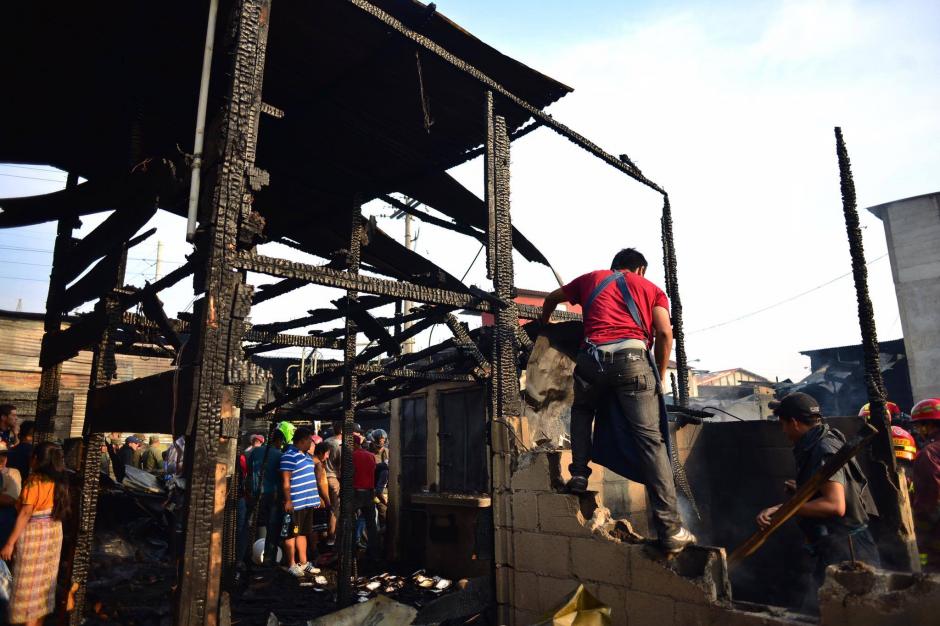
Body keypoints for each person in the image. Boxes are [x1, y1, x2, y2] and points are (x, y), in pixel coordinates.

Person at [539, 247, 694, 554]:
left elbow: (550, 299)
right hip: (632, 361)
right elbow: (664, 332)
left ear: (614, 267)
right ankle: (671, 529)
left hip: (590, 361)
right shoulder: (650, 288)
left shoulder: (590, 279)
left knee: (582, 410)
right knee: (651, 443)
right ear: (640, 270)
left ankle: (580, 475)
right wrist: (660, 377)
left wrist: (546, 327)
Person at [756, 392, 880, 609]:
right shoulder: (823, 440)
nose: (783, 430)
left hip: (849, 551)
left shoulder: (824, 448)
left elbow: (835, 505)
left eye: (782, 424)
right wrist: (803, 490)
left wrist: (782, 510)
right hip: (840, 546)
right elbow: (834, 489)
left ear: (794, 423)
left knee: (840, 613)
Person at [1, 441, 71, 626]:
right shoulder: (61, 480)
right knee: (43, 584)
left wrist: (10, 543)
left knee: (28, 584)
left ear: (37, 459)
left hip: (34, 534)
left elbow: (25, 513)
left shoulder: (35, 480)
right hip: (54, 533)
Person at [279, 427, 321, 577]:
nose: (311, 443)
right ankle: (291, 564)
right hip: (295, 502)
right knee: (291, 533)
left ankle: (303, 563)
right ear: (303, 440)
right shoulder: (288, 456)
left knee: (302, 532)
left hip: (307, 502)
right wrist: (288, 500)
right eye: (310, 440)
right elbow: (285, 480)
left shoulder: (307, 456)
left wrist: (315, 498)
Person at [910, 397, 940, 573]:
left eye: (918, 426)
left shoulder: (929, 454)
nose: (918, 431)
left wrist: (919, 533)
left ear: (927, 425)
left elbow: (931, 502)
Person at [247, 430, 285, 565]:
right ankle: (267, 555)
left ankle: (251, 552)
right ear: (278, 441)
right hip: (271, 493)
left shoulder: (255, 451)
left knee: (254, 522)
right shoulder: (279, 455)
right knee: (271, 524)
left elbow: (249, 469)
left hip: (254, 491)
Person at [352, 433, 381, 560]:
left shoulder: (351, 456)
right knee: (371, 525)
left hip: (356, 492)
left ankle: (351, 551)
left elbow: (348, 475)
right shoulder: (371, 456)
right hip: (369, 492)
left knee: (349, 522)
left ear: (355, 444)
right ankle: (374, 552)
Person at [323, 422, 343, 546]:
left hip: (323, 476)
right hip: (334, 478)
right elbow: (342, 465)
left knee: (327, 507)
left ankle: (327, 534)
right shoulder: (338, 445)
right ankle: (332, 537)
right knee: (334, 509)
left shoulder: (326, 441)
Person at [0, 442, 22, 547]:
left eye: (4, 455)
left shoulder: (12, 473)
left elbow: (11, 499)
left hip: (4, 527)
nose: (2, 459)